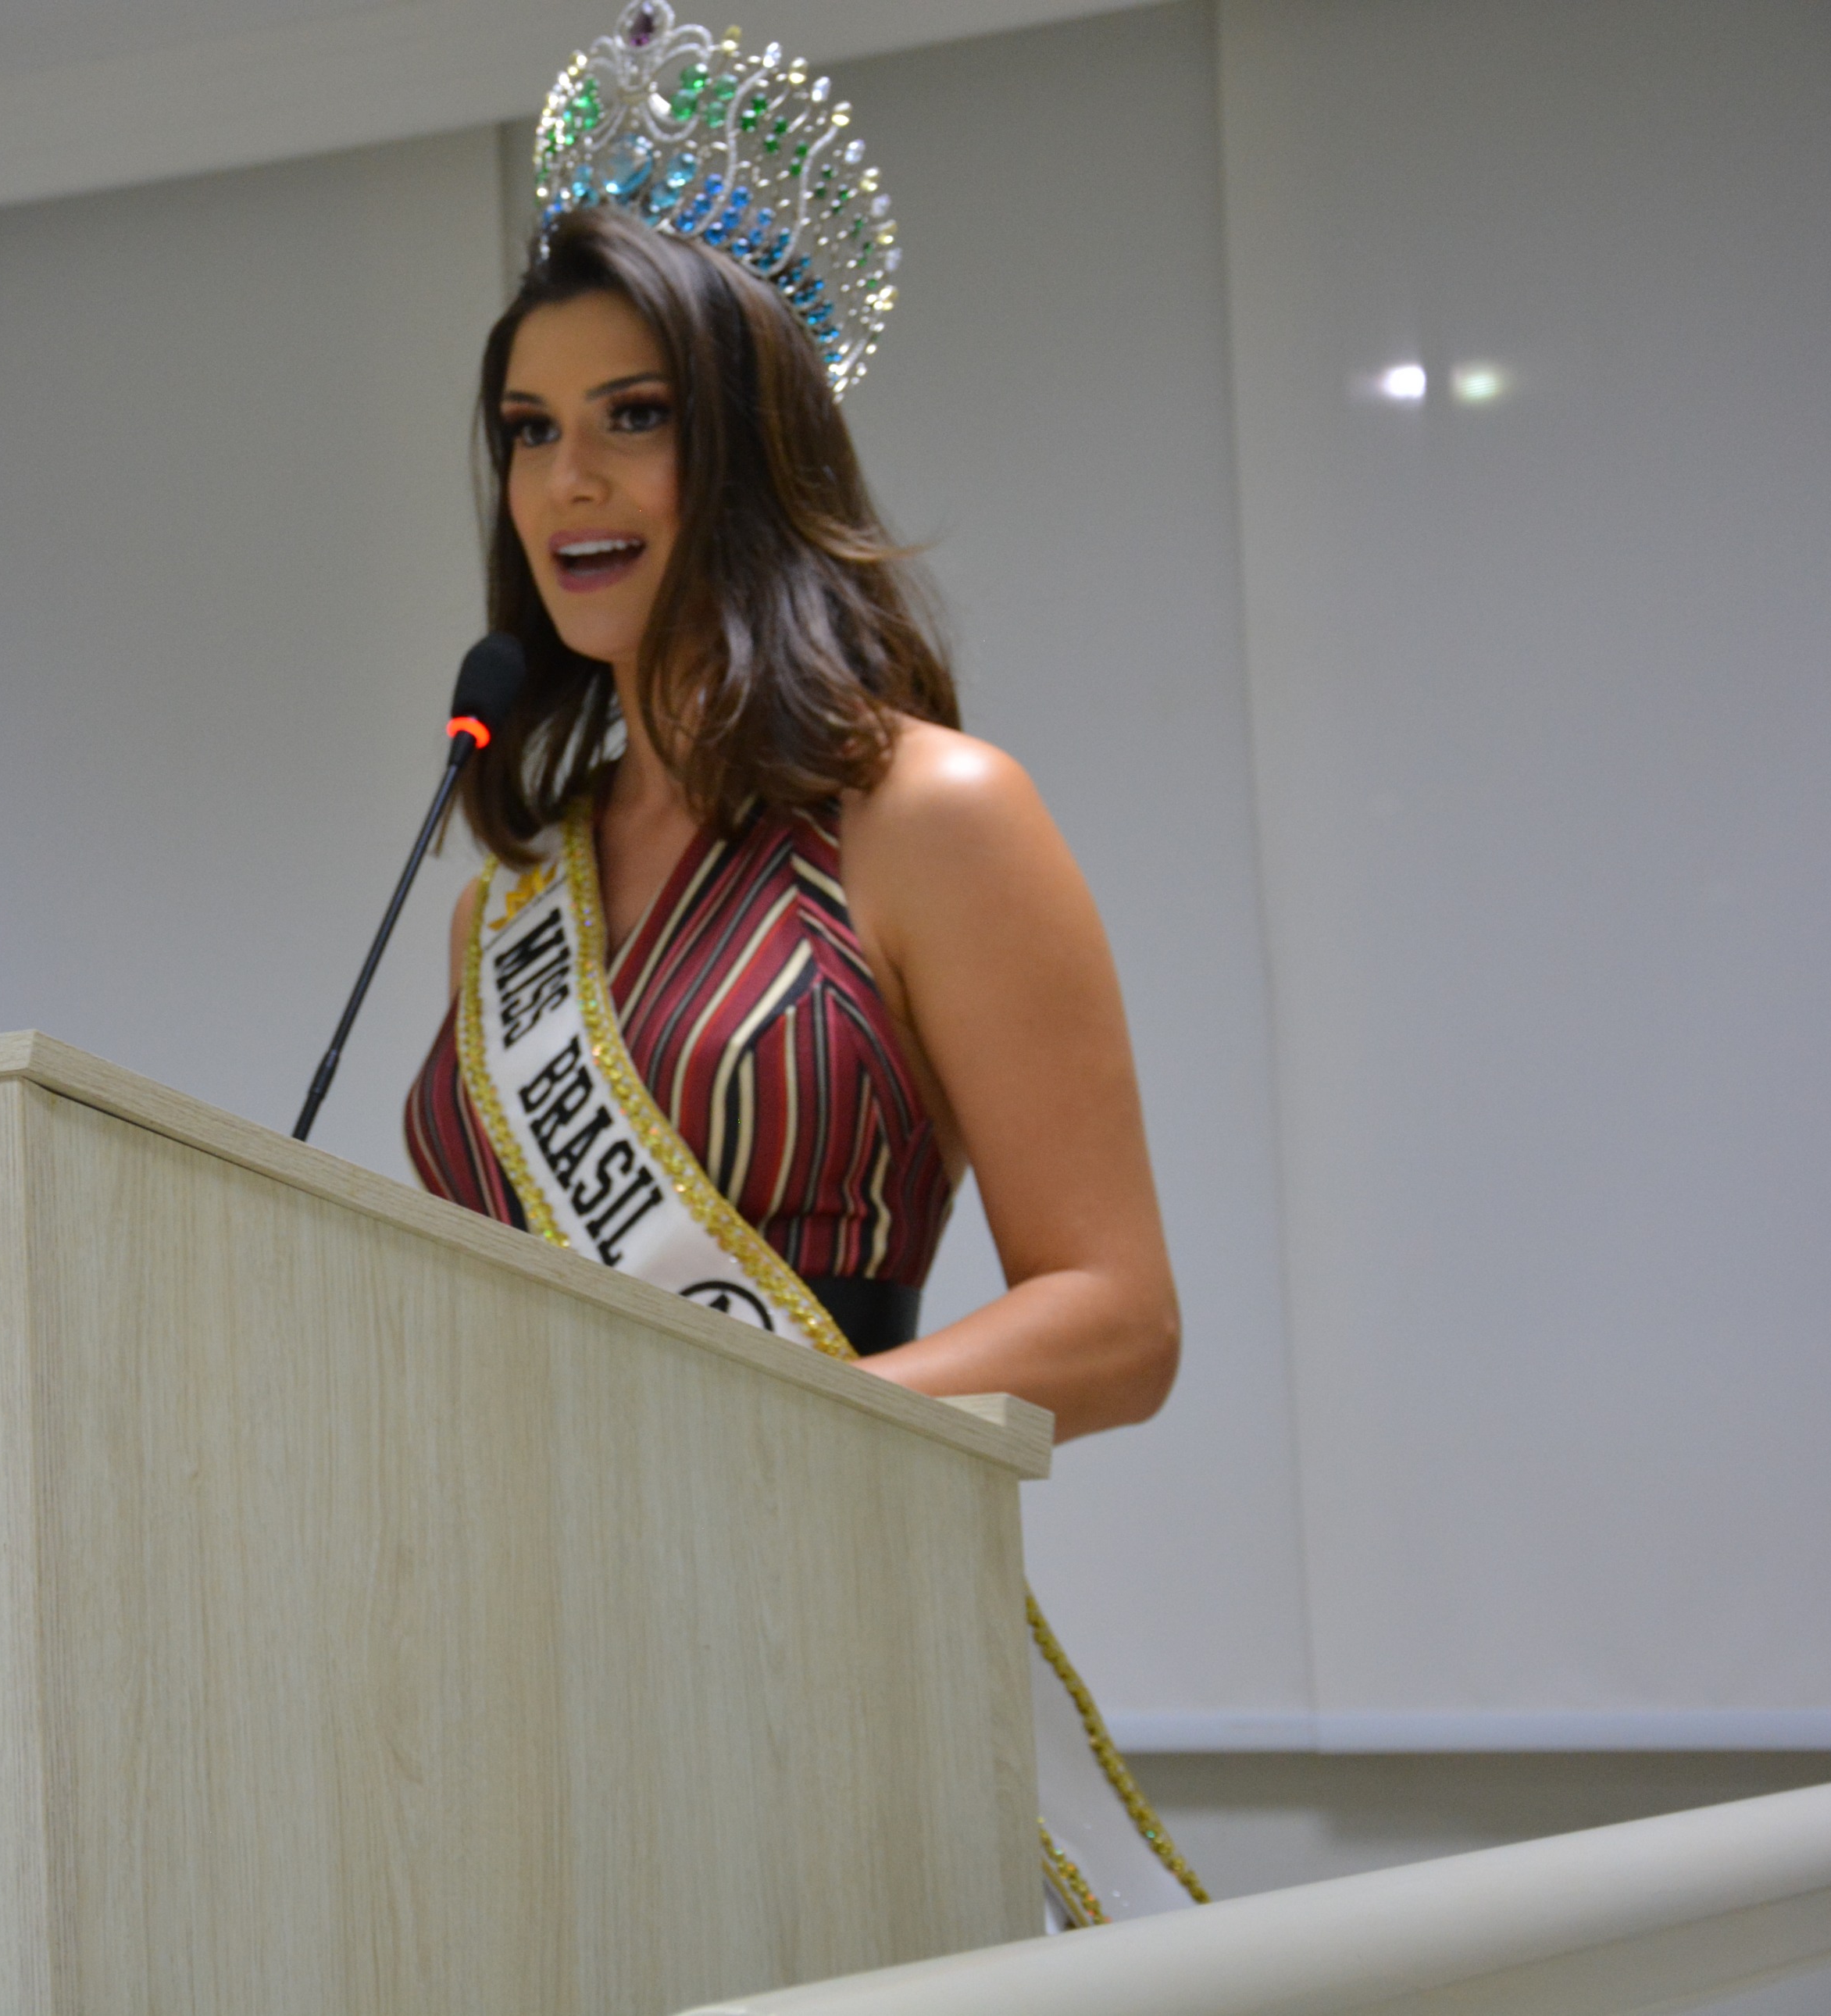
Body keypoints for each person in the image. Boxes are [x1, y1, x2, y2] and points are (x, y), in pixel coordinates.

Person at [403, 2, 1197, 1925]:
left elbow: (1116, 1318)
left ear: (749, 444)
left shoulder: (928, 816)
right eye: (529, 432)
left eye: (633, 417)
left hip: (820, 1649)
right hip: (528, 1691)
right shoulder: (509, 898)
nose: (567, 482)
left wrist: (768, 1450)